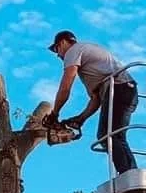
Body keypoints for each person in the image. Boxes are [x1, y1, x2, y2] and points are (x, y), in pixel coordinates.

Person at [46, 31, 138, 173]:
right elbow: (96, 100)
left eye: (57, 49)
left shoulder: (73, 51)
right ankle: (130, 174)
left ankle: (129, 175)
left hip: (119, 89)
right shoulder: (88, 61)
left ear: (63, 43)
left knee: (108, 136)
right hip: (125, 90)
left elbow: (65, 88)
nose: (58, 55)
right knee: (113, 136)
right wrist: (81, 118)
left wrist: (54, 114)